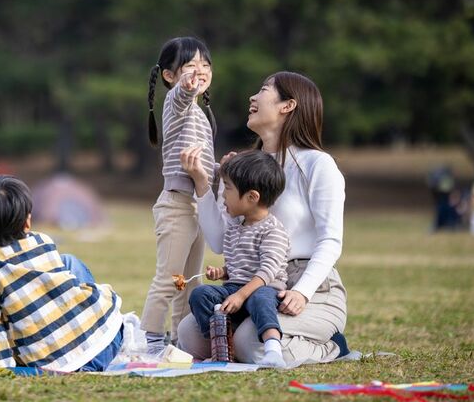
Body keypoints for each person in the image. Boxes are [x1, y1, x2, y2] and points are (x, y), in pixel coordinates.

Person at [176, 71, 349, 366]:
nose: (252, 98)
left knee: (248, 343)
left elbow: (330, 240)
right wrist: (208, 186)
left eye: (264, 90)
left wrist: (303, 292)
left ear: (288, 105)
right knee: (189, 334)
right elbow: (220, 241)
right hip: (252, 282)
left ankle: (333, 347)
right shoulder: (249, 167)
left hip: (309, 285)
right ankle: (264, 339)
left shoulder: (317, 164)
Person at [0, 175, 123, 372]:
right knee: (69, 262)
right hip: (108, 344)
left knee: (65, 262)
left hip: (53, 363)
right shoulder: (43, 241)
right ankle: (91, 322)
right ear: (27, 222)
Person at [141, 36, 217, 354]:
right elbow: (184, 95)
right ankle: (152, 341)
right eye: (189, 65)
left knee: (188, 281)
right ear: (170, 76)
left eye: (205, 65)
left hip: (195, 205)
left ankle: (181, 340)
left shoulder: (200, 115)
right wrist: (187, 85)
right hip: (176, 204)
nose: (199, 70)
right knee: (169, 278)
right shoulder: (176, 102)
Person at [180, 149, 290, 367]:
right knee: (201, 293)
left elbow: (267, 272)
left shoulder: (273, 230)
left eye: (228, 188)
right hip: (235, 288)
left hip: (263, 288)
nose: (223, 195)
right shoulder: (235, 227)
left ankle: (273, 349)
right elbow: (237, 266)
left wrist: (241, 295)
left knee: (260, 299)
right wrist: (222, 272)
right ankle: (217, 342)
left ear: (252, 197)